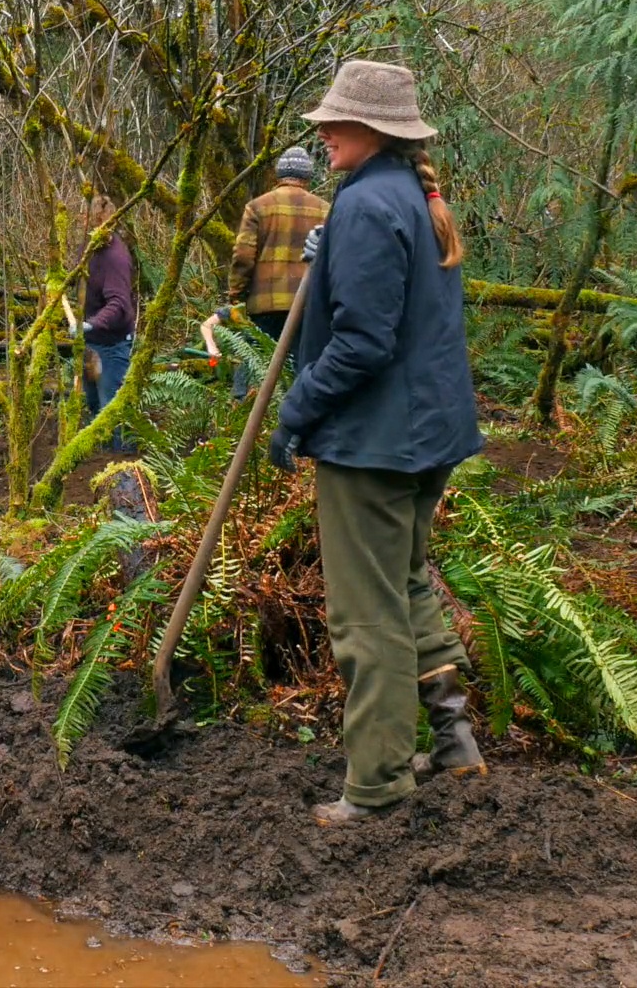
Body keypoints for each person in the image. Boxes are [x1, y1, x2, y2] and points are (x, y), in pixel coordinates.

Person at [266, 60, 486, 825]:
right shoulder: (403, 198)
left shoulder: (367, 208)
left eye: (336, 123)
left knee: (367, 616)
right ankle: (455, 746)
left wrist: (295, 411)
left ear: (377, 130)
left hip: (375, 445)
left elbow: (362, 343)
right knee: (408, 585)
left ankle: (378, 784)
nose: (322, 133)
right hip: (427, 437)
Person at [221, 147, 329, 397]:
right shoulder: (325, 209)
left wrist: (237, 292)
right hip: (306, 304)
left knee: (252, 361)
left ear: (279, 174)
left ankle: (241, 415)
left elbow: (243, 255)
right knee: (300, 369)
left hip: (264, 305)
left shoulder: (258, 206)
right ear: (307, 175)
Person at [76, 195, 138, 451]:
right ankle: (100, 459)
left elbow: (119, 304)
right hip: (91, 343)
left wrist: (92, 324)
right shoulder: (87, 249)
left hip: (112, 345)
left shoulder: (116, 258)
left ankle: (123, 468)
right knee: (92, 403)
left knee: (111, 411)